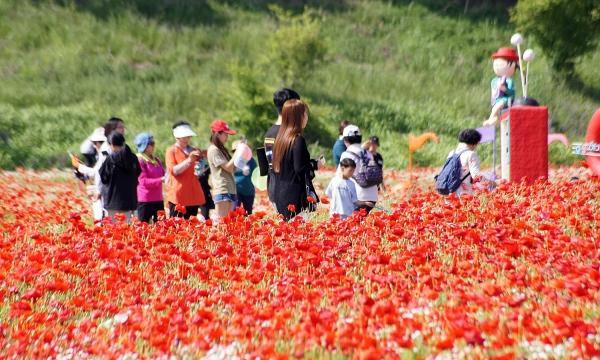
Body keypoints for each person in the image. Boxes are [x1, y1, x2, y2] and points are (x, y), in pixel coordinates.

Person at [272, 99, 319, 221]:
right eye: (305, 114)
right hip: (295, 197)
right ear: (298, 117)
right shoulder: (298, 140)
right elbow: (300, 169)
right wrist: (313, 165)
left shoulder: (280, 139)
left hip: (280, 194)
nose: (307, 117)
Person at [264, 88, 301, 205]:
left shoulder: (269, 133)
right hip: (290, 194)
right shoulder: (290, 134)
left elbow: (267, 165)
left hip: (273, 189)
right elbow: (296, 169)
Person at [165, 121, 205, 219]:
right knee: (175, 227)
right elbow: (174, 171)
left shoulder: (194, 150)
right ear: (177, 137)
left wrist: (201, 165)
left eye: (188, 136)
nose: (186, 139)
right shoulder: (171, 151)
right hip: (178, 196)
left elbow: (199, 170)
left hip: (192, 195)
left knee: (191, 226)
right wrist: (189, 160)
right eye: (184, 137)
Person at [99, 132, 141, 223]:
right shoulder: (133, 158)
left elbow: (104, 178)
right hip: (129, 201)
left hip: (113, 201)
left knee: (114, 231)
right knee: (126, 230)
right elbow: (138, 172)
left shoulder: (110, 159)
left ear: (112, 144)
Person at [71, 127, 108, 221]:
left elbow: (96, 172)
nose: (94, 146)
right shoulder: (98, 154)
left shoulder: (104, 155)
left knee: (102, 218)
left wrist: (79, 166)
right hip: (98, 188)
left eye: (96, 143)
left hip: (103, 190)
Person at [339, 125, 378, 214]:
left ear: (346, 140)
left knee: (350, 223)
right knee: (358, 223)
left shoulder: (347, 154)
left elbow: (340, 177)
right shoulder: (367, 153)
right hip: (372, 197)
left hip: (358, 198)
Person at [207, 120, 238, 222]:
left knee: (227, 223)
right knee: (221, 223)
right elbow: (228, 167)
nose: (227, 137)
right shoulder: (213, 150)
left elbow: (233, 168)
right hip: (222, 189)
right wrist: (237, 153)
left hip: (229, 188)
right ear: (217, 134)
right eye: (225, 134)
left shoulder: (221, 149)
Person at [448, 128, 492, 196]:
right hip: (463, 193)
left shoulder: (452, 153)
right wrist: (493, 183)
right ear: (474, 142)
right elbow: (476, 176)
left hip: (450, 191)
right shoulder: (471, 154)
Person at [135, 133, 165, 223]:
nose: (153, 146)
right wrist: (160, 180)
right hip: (145, 200)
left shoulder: (157, 160)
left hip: (158, 198)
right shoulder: (140, 160)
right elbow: (143, 181)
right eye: (151, 144)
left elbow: (164, 173)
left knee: (162, 226)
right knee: (143, 228)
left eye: (153, 143)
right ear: (145, 146)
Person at [232, 140, 257, 215]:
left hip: (249, 190)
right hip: (236, 190)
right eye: (235, 151)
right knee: (235, 212)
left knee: (248, 212)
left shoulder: (251, 160)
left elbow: (256, 173)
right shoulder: (232, 161)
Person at [195, 154, 214, 220]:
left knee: (205, 216)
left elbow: (213, 168)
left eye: (200, 155)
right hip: (193, 193)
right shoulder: (189, 166)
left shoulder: (205, 166)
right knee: (192, 217)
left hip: (204, 193)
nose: (198, 158)